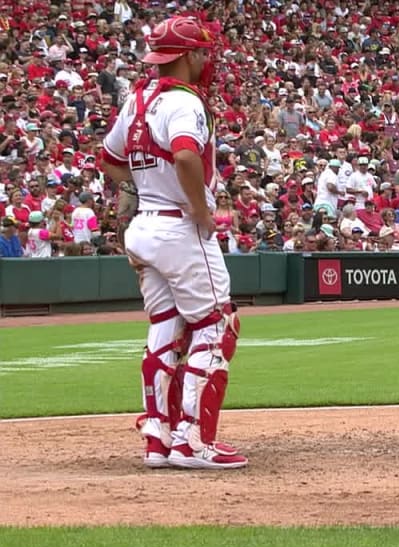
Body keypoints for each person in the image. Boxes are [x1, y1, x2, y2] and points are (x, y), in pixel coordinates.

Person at [99, 16, 247, 469]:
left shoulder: (138, 99)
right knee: (217, 324)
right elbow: (185, 153)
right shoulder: (185, 103)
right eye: (201, 52)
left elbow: (108, 160)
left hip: (144, 227)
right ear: (186, 57)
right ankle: (193, 442)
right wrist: (200, 212)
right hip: (180, 230)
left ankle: (159, 439)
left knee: (165, 326)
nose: (206, 59)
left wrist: (148, 188)